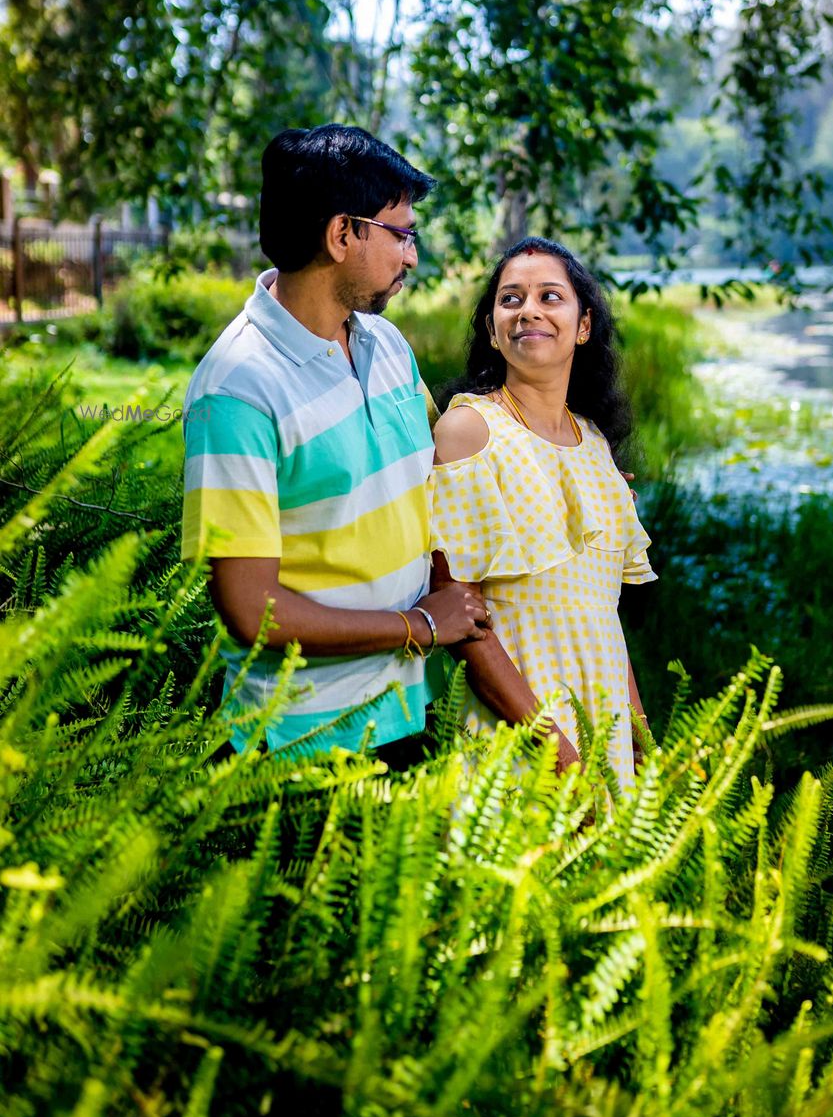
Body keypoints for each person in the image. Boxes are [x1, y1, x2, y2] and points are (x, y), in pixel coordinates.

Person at [181, 123, 488, 759]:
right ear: (342, 234)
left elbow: (443, 473)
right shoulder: (238, 387)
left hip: (414, 707)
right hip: (306, 741)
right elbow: (250, 609)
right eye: (401, 233)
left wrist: (569, 471)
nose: (411, 256)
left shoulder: (387, 344)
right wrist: (420, 626)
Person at [429, 237, 657, 791]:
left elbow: (604, 618)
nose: (528, 309)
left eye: (550, 296)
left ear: (582, 326)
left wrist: (642, 740)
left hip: (603, 733)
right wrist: (552, 751)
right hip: (518, 737)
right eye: (511, 300)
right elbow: (463, 619)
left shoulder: (596, 444)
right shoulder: (470, 433)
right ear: (491, 330)